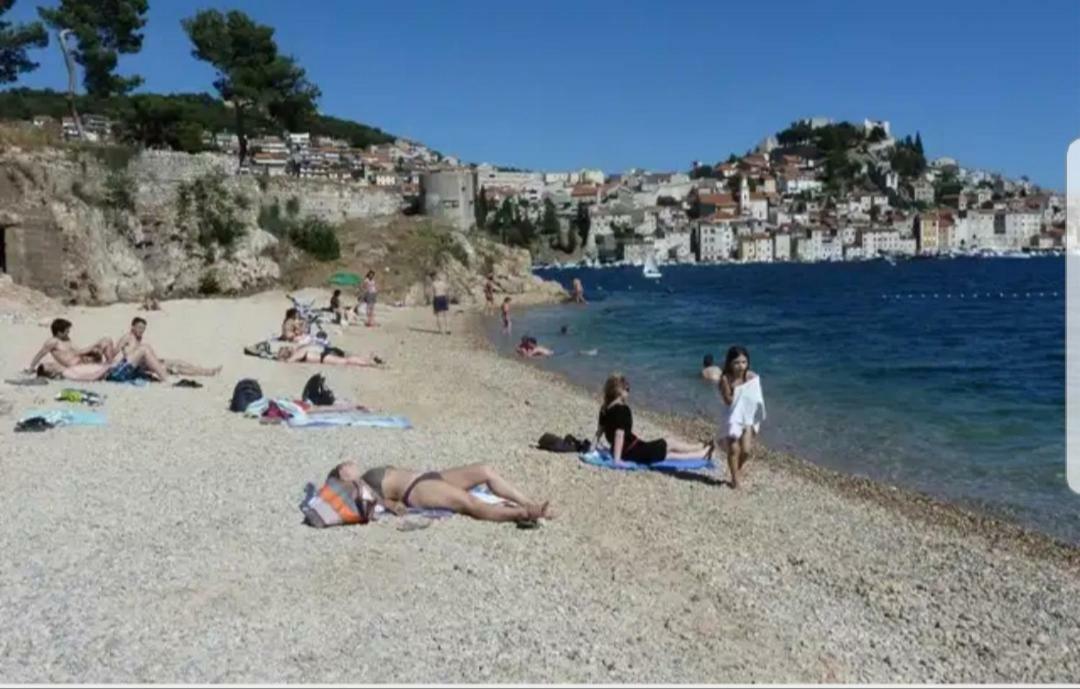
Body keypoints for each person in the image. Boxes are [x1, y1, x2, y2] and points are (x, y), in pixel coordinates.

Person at [330, 460, 553, 524]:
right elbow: (375, 503)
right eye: (345, 466)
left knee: (484, 470)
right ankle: (524, 513)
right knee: (469, 503)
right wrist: (391, 505)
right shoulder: (360, 487)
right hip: (416, 490)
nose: (350, 463)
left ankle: (529, 501)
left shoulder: (364, 479)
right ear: (343, 476)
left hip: (429, 476)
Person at [595, 373, 713, 466]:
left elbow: (599, 432)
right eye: (627, 389)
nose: (629, 392)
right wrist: (617, 460)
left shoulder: (604, 409)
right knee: (668, 444)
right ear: (619, 391)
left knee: (667, 451)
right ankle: (701, 452)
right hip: (632, 451)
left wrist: (592, 449)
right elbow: (619, 434)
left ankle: (699, 449)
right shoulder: (622, 409)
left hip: (630, 451)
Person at [719, 346, 763, 489]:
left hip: (746, 418)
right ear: (730, 363)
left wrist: (751, 386)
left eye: (744, 362)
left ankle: (736, 470)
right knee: (733, 450)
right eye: (737, 363)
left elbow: (756, 395)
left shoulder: (750, 377)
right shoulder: (726, 378)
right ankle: (735, 480)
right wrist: (741, 391)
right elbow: (727, 400)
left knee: (746, 451)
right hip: (732, 417)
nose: (741, 366)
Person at [116, 317, 221, 377]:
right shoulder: (127, 337)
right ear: (132, 327)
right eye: (139, 327)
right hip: (141, 367)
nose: (141, 330)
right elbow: (115, 353)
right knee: (176, 368)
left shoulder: (138, 338)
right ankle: (207, 373)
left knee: (178, 362)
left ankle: (205, 370)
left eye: (143, 328)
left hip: (149, 364)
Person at [26, 318, 117, 372]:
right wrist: (31, 367)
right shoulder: (52, 342)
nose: (69, 332)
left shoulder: (66, 339)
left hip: (83, 359)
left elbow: (77, 351)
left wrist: (92, 348)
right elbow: (40, 354)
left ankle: (110, 363)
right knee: (100, 343)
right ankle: (110, 365)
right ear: (59, 332)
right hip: (76, 365)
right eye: (66, 331)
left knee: (106, 340)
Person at [275, 343, 384, 368]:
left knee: (347, 361)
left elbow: (289, 361)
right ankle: (369, 359)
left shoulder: (299, 353)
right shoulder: (300, 349)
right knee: (347, 358)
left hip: (324, 357)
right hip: (325, 353)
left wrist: (280, 359)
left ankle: (370, 363)